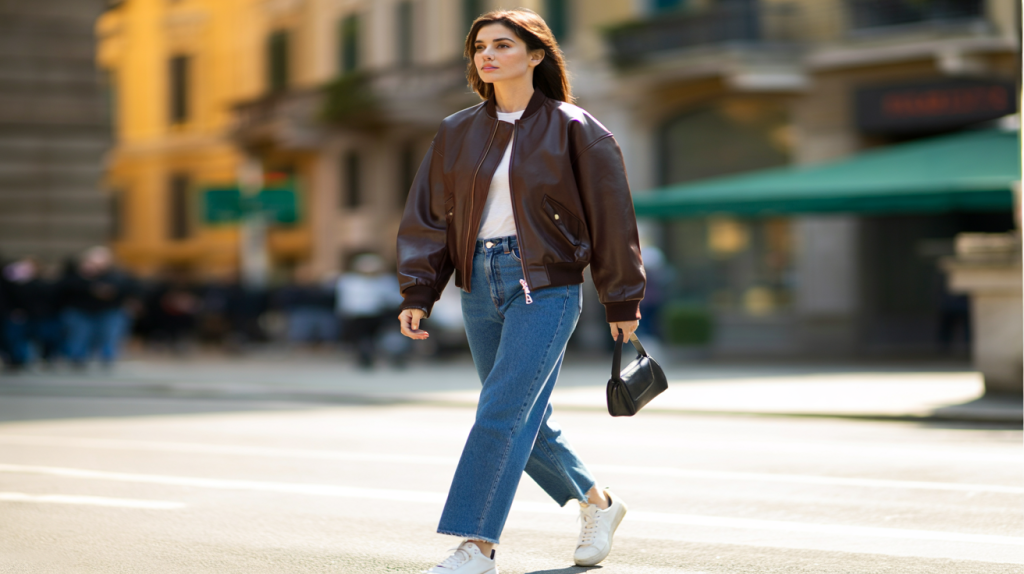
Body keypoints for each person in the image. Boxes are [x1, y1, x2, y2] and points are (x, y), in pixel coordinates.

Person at [395, 9, 645, 573]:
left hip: (546, 285)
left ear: (536, 55)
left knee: (500, 412)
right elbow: (428, 217)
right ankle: (598, 504)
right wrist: (418, 292)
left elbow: (612, 218)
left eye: (502, 45)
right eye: (480, 46)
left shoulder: (576, 127)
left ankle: (476, 546)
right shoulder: (457, 130)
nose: (487, 55)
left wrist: (621, 298)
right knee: (519, 417)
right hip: (478, 282)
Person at [59, 246, 135, 368]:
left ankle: (107, 358)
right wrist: (87, 281)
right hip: (81, 310)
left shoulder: (116, 275)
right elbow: (65, 288)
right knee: (80, 335)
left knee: (109, 335)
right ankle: (77, 358)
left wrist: (109, 291)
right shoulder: (77, 274)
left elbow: (126, 288)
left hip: (109, 310)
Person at [336, 253, 402, 368]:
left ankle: (394, 355)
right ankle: (365, 355)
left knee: (390, 334)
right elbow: (348, 302)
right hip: (357, 316)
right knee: (362, 337)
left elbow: (395, 299)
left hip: (380, 315)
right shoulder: (349, 281)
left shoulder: (386, 281)